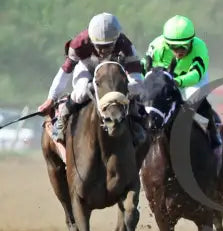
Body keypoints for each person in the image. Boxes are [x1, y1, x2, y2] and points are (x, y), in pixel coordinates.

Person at [38, 12, 145, 145]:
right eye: (99, 46)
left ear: (117, 39)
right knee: (82, 91)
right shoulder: (79, 43)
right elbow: (65, 71)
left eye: (108, 46)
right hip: (87, 68)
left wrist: (125, 89)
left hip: (112, 72)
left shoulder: (126, 45)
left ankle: (137, 121)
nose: (103, 51)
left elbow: (138, 80)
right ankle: (62, 117)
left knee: (135, 89)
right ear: (91, 39)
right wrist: (51, 98)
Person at [144, 14, 222, 151]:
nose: (178, 51)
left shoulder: (200, 47)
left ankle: (213, 131)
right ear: (166, 42)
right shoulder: (156, 46)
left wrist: (177, 81)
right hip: (167, 80)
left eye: (183, 47)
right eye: (173, 47)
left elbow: (195, 75)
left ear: (191, 41)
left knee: (193, 98)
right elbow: (146, 67)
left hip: (192, 79)